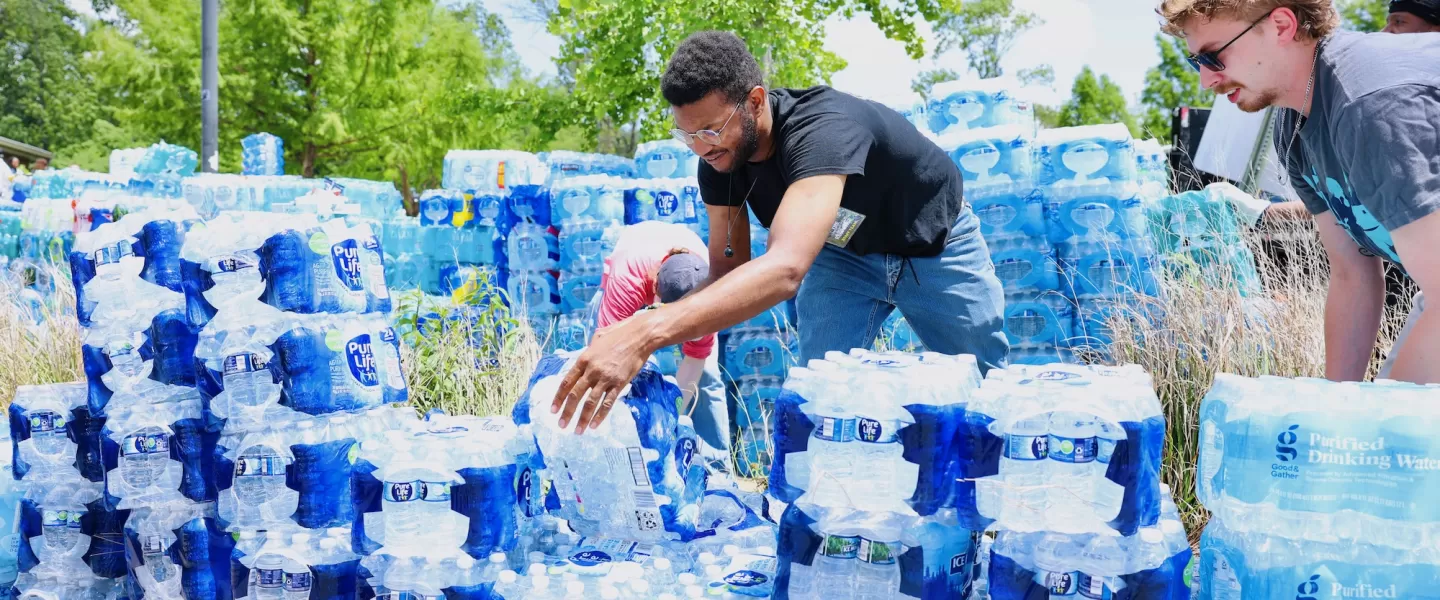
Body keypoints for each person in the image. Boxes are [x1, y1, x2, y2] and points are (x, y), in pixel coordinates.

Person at [550, 30, 1008, 434]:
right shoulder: (719, 162)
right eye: (686, 135)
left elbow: (787, 268)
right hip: (843, 257)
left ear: (753, 101)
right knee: (821, 399)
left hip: (932, 245)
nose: (699, 148)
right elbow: (727, 275)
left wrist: (647, 332)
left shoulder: (822, 129)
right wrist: (632, 330)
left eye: (710, 130)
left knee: (986, 392)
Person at [1159, 0, 1439, 383]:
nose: (1206, 81)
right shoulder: (1293, 125)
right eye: (1198, 63)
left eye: (1213, 57)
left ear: (1281, 25)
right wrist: (1335, 409)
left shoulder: (1368, 105)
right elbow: (1351, 273)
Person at [584, 220, 730, 468]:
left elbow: (694, 362)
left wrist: (671, 421)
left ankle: (716, 468)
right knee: (600, 366)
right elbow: (605, 349)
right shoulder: (629, 282)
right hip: (634, 256)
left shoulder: (709, 295)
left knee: (707, 376)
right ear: (655, 294)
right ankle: (602, 454)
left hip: (681, 255)